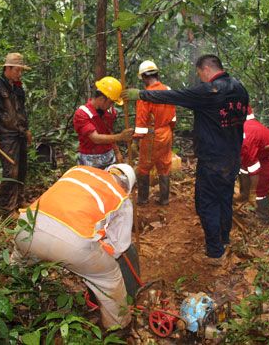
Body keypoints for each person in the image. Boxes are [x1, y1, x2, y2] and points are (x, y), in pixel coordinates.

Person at [122, 54, 249, 265]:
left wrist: (142, 95)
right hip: (232, 156)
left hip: (212, 159)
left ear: (205, 69)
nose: (200, 78)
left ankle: (215, 253)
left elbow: (175, 96)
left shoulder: (210, 90)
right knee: (224, 198)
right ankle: (223, 240)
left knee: (206, 203)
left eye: (200, 74)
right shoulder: (240, 88)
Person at [11, 163, 136, 329]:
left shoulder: (78, 170)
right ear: (128, 187)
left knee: (19, 263)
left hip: (26, 226)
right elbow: (119, 246)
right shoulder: (121, 197)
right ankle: (119, 326)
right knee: (109, 277)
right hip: (72, 244)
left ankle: (16, 305)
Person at [0, 52, 33, 212]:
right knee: (10, 171)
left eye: (21, 71)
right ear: (8, 68)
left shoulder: (18, 88)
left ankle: (20, 200)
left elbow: (21, 111)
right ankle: (7, 208)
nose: (20, 74)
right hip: (6, 135)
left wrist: (26, 130)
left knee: (22, 169)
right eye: (17, 70)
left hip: (19, 133)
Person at [134, 60, 176, 205]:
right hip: (166, 132)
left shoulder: (145, 95)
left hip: (152, 135)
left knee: (144, 167)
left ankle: (142, 199)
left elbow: (141, 122)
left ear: (145, 77)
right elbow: (173, 116)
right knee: (164, 164)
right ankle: (164, 199)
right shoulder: (168, 90)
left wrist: (136, 140)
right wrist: (170, 130)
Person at [235, 107, 269, 222]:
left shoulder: (247, 137)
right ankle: (244, 195)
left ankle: (263, 217)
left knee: (261, 188)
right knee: (243, 168)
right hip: (260, 153)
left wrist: (252, 192)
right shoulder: (239, 127)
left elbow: (254, 169)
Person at [73, 76, 134, 169]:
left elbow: (109, 132)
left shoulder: (109, 111)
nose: (111, 105)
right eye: (111, 102)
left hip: (109, 156)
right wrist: (120, 137)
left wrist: (117, 152)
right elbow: (95, 138)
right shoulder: (82, 113)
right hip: (90, 159)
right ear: (102, 99)